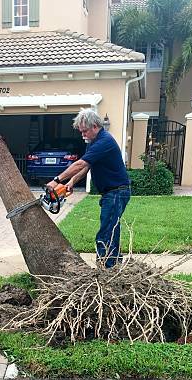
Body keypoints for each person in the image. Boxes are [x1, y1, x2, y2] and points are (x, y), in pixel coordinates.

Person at [46, 108, 131, 268]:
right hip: (112, 193)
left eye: (85, 131)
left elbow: (80, 163)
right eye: (80, 131)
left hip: (116, 192)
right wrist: (71, 182)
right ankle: (115, 265)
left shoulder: (104, 141)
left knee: (106, 233)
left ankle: (107, 269)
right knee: (112, 229)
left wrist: (56, 180)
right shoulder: (93, 142)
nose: (82, 135)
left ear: (95, 126)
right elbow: (87, 165)